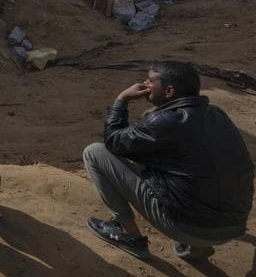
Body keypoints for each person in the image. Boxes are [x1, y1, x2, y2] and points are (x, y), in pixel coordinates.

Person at [83, 61, 253, 262]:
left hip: (192, 227)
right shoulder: (217, 114)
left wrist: (121, 100)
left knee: (94, 152)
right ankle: (196, 248)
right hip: (236, 223)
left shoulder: (161, 122)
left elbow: (114, 142)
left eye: (150, 80)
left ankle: (131, 237)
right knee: (196, 171)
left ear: (169, 90)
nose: (145, 83)